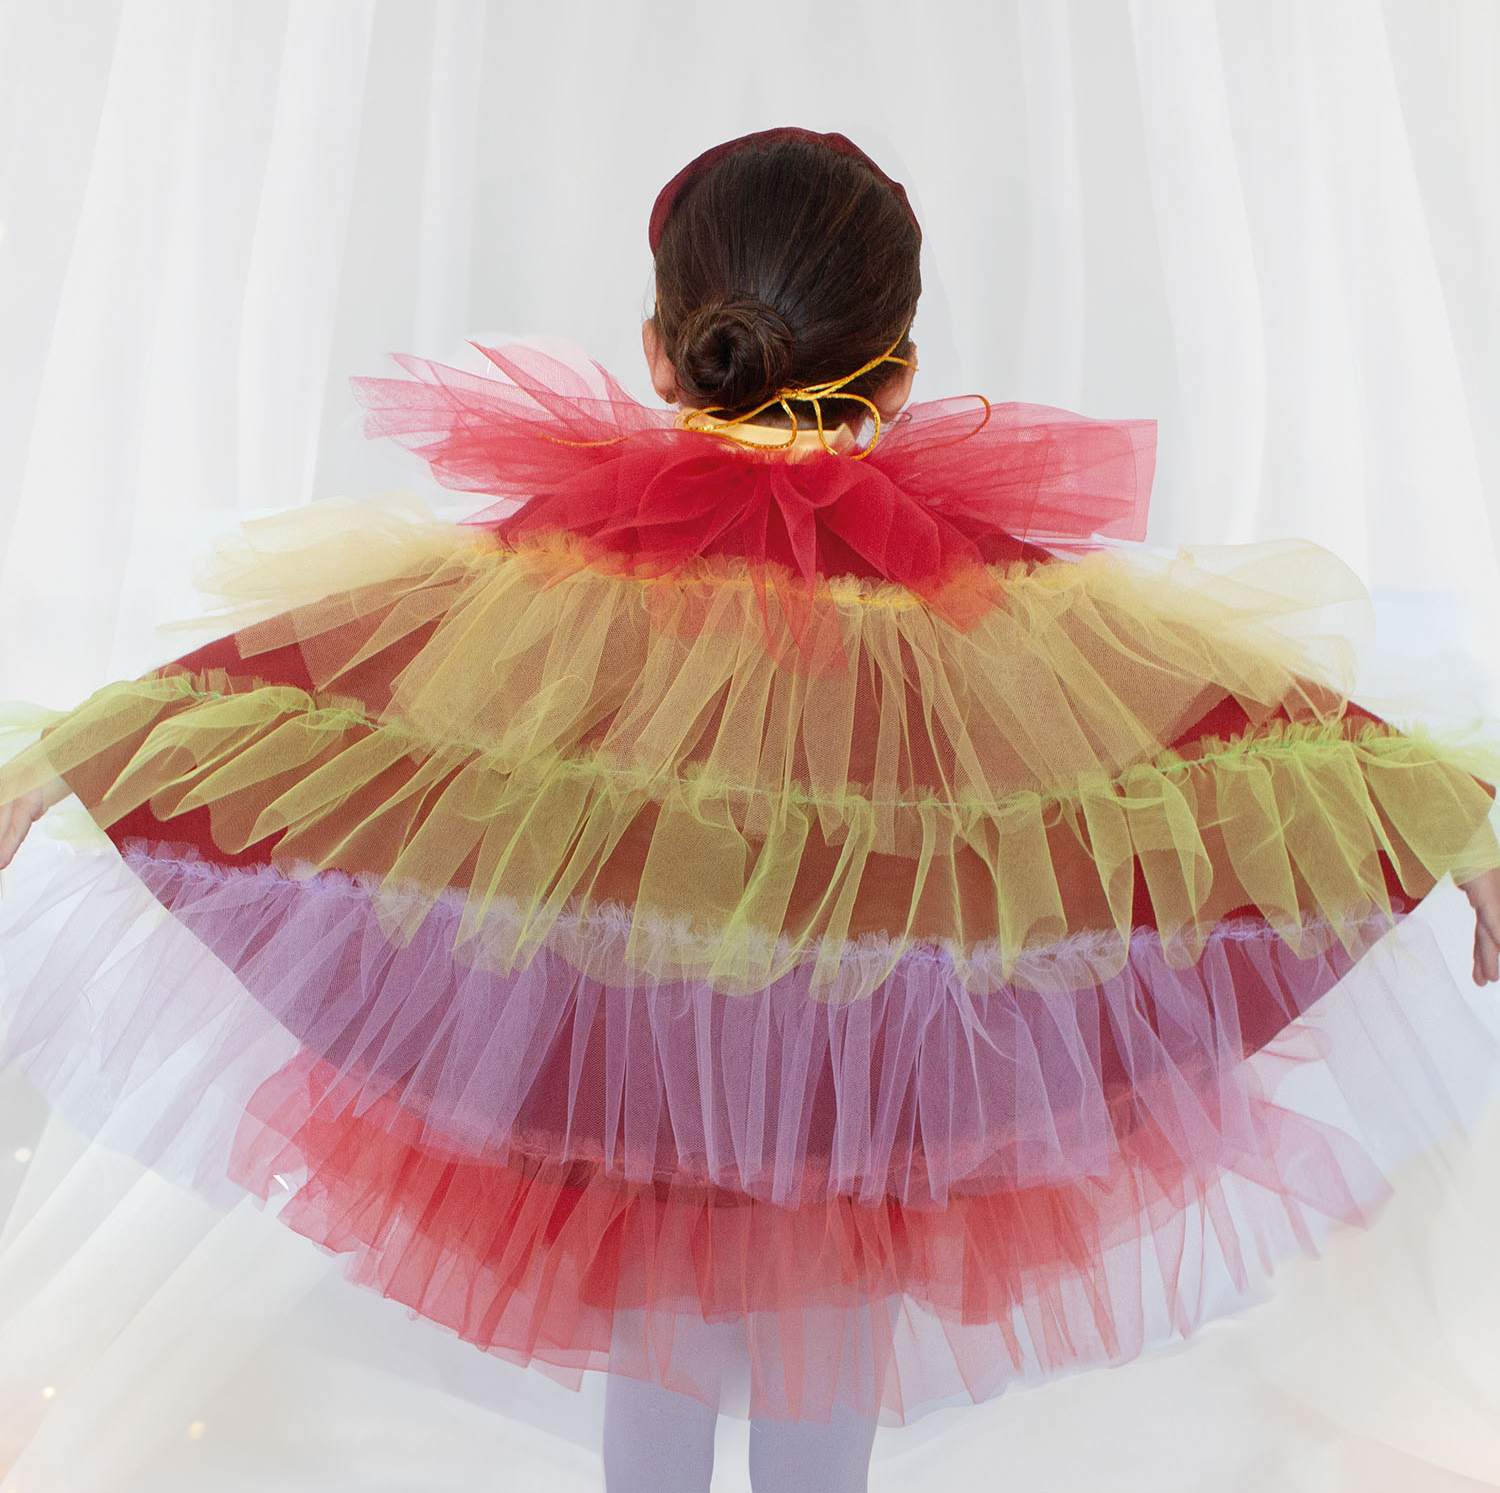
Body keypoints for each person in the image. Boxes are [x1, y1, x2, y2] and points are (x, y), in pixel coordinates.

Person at [3, 126, 1500, 1493]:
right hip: (872, 1058)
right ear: (899, 378)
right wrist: (1456, 820)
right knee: (825, 1289)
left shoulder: (560, 568)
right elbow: (1213, 725)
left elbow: (335, 676)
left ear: (663, 355)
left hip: (623, 1035)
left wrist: (77, 755)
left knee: (651, 1278)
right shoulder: (988, 601)